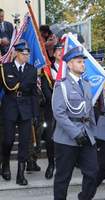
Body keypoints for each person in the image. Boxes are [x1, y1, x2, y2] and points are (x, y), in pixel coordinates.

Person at [52, 46, 98, 200]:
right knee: (63, 178)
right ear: (70, 64)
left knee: (93, 172)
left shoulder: (86, 84)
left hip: (86, 134)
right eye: (79, 62)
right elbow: (59, 113)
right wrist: (75, 133)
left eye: (83, 62)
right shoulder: (62, 85)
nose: (82, 64)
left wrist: (93, 132)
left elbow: (89, 110)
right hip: (67, 137)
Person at [0, 40, 38, 185]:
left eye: (27, 54)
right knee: (8, 140)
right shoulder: (5, 68)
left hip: (26, 108)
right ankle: (5, 165)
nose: (26, 56)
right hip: (9, 106)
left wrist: (35, 114)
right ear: (16, 53)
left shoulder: (32, 70)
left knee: (24, 142)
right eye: (23, 53)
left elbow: (34, 93)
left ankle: (20, 174)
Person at [40, 43, 63, 179]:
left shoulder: (69, 68)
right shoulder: (48, 70)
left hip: (69, 110)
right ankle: (51, 164)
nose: (60, 52)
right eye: (58, 50)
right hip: (52, 109)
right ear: (53, 53)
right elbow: (45, 89)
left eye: (62, 50)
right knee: (50, 138)